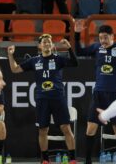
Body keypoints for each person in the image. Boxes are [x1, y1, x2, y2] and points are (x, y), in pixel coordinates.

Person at [74, 22, 116, 164]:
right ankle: (88, 161)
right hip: (99, 94)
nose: (103, 41)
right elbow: (79, 52)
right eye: (100, 38)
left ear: (112, 36)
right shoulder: (96, 48)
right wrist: (76, 35)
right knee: (91, 127)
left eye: (105, 37)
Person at [7, 34, 78, 164]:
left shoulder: (58, 59)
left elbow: (74, 63)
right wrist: (11, 55)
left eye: (49, 42)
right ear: (39, 46)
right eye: (44, 42)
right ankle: (45, 160)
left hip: (58, 99)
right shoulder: (34, 61)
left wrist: (69, 49)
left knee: (66, 128)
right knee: (43, 130)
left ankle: (72, 159)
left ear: (52, 45)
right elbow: (15, 69)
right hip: (42, 100)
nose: (46, 44)